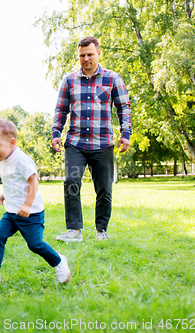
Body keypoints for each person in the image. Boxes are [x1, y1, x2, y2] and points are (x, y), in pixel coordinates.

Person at [0, 119, 70, 285]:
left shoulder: (21, 159)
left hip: (30, 213)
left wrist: (27, 204)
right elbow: (15, 181)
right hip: (11, 212)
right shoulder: (3, 159)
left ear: (12, 143)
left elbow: (33, 181)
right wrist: (5, 194)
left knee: (35, 245)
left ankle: (59, 262)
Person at [52, 36, 132, 242]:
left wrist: (126, 134)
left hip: (103, 143)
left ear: (98, 54)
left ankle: (101, 230)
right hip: (75, 143)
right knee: (71, 182)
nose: (86, 58)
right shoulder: (69, 80)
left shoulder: (113, 78)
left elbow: (123, 108)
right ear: (78, 56)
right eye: (82, 55)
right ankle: (74, 231)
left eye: (89, 54)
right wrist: (55, 134)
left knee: (104, 188)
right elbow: (60, 110)